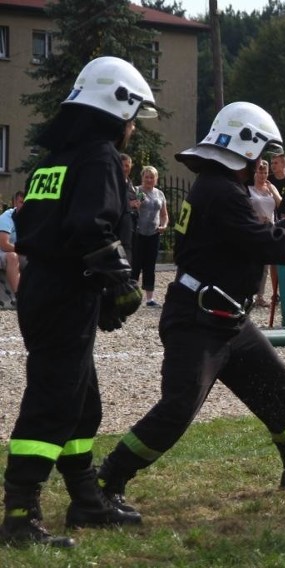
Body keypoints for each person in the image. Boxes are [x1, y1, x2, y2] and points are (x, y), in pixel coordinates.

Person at [96, 101, 285, 523]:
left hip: (226, 320)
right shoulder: (221, 191)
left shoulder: (217, 188)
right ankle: (108, 482)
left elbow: (255, 235)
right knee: (178, 408)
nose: (263, 164)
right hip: (199, 322)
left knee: (277, 385)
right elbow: (267, 244)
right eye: (261, 154)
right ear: (246, 149)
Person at [0, 56, 155, 548]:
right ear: (116, 109)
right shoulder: (99, 157)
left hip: (45, 288)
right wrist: (121, 285)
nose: (132, 130)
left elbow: (34, 227)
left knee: (82, 402)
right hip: (67, 293)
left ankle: (86, 500)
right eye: (132, 119)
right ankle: (20, 515)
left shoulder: (54, 161)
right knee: (52, 403)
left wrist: (101, 289)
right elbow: (93, 227)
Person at [131, 165, 169, 307]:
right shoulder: (136, 190)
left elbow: (164, 214)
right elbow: (128, 207)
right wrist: (134, 204)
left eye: (152, 177)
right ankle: (132, 296)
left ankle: (149, 299)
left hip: (154, 234)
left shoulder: (159, 194)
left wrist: (164, 226)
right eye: (146, 176)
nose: (149, 179)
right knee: (135, 264)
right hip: (138, 233)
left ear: (156, 179)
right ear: (142, 178)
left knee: (150, 266)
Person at [248, 158, 283, 307]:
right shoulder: (249, 189)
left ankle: (260, 296)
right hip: (255, 226)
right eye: (260, 172)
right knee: (254, 262)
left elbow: (281, 204)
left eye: (265, 173)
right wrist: (256, 217)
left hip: (270, 227)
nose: (263, 176)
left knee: (266, 265)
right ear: (255, 173)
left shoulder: (270, 187)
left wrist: (274, 192)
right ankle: (249, 293)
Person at [0, 191, 26, 300]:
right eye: (21, 202)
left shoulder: (35, 218)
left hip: (21, 251)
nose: (24, 206)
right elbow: (4, 245)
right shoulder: (7, 217)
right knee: (12, 257)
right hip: (3, 251)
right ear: (15, 202)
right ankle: (20, 297)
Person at [119, 153, 140, 264]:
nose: (125, 169)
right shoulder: (114, 182)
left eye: (127, 166)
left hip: (131, 227)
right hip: (119, 229)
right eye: (122, 165)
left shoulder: (130, 183)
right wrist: (129, 204)